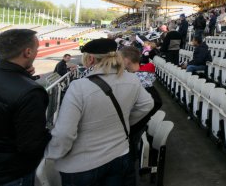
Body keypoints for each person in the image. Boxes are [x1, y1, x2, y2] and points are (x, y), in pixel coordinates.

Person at [45, 38, 154, 186]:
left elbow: (64, 133)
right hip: (120, 155)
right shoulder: (131, 79)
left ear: (90, 59)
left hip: (82, 165)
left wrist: (51, 155)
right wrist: (124, 122)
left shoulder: (79, 87)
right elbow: (147, 104)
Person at [0, 29, 50, 186]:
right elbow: (31, 146)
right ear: (28, 52)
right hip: (7, 174)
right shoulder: (30, 92)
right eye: (36, 49)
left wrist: (23, 77)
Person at [118, 46, 162, 178]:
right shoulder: (139, 76)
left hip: (134, 126)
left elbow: (156, 102)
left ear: (126, 60)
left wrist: (134, 120)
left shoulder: (138, 78)